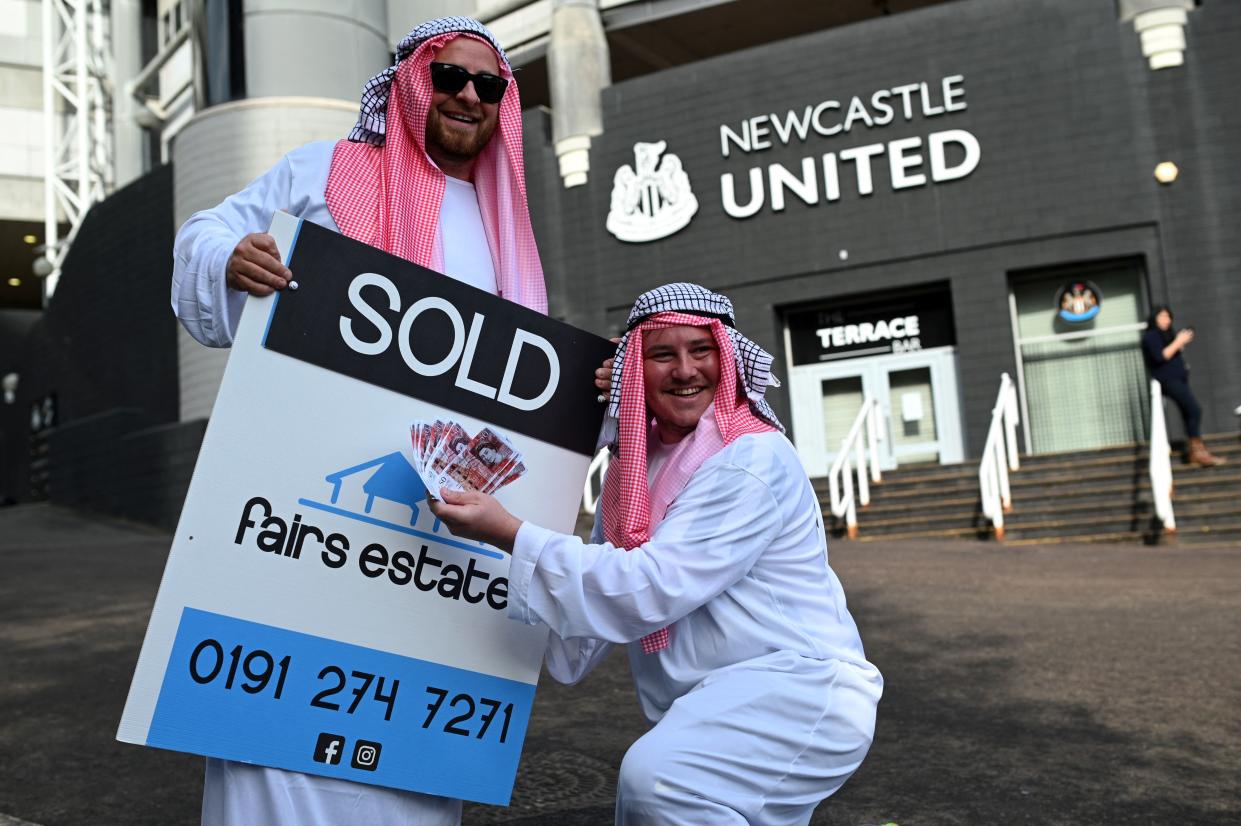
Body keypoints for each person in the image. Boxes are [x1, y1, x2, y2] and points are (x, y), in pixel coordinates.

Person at [171, 16, 548, 826]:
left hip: (431, 555)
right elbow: (204, 232)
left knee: (408, 765)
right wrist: (229, 258)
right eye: (449, 76)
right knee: (271, 746)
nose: (467, 96)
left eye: (489, 86)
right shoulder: (323, 173)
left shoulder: (507, 231)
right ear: (414, 81)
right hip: (302, 528)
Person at [432, 283, 883, 825]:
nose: (685, 370)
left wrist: (510, 533)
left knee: (662, 782)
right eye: (662, 355)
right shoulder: (634, 474)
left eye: (702, 350)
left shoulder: (751, 459)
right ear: (634, 371)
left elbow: (648, 586)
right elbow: (584, 627)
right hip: (716, 707)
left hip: (795, 691)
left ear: (731, 358)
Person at [1142, 305, 1224, 466]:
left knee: (1189, 412)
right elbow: (1160, 356)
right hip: (1168, 380)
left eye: (1168, 317)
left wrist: (1179, 343)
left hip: (1179, 379)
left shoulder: (1165, 335)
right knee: (1194, 409)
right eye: (1163, 317)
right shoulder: (1151, 336)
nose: (1167, 320)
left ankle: (1195, 451)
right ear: (1154, 318)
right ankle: (1197, 450)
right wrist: (1178, 342)